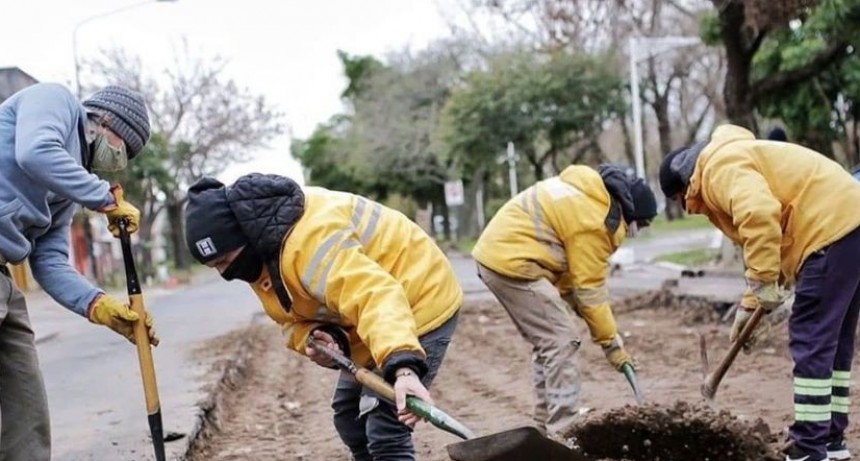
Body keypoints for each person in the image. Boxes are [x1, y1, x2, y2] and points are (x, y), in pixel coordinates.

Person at [184, 173, 462, 461]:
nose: (224, 273)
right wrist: (319, 337)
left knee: (386, 426)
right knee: (349, 417)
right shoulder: (262, 256)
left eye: (224, 262)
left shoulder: (310, 242)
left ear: (244, 236)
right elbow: (290, 319)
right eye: (213, 266)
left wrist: (403, 368)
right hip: (368, 321)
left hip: (418, 298)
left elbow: (374, 296)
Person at [659, 123, 860, 461]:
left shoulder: (718, 168)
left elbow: (758, 214)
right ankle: (830, 440)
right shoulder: (735, 157)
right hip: (849, 224)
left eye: (681, 201)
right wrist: (752, 302)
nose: (688, 208)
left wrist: (763, 280)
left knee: (811, 338)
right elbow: (771, 236)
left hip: (828, 231)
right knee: (834, 342)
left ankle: (809, 448)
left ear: (683, 186)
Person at [0, 82, 157, 460]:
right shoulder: (55, 100)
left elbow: (49, 261)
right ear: (106, 123)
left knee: (26, 401)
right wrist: (104, 199)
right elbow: (35, 152)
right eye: (125, 149)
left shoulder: (69, 187)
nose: (120, 160)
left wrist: (98, 305)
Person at [471, 164, 657, 438]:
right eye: (641, 224)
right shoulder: (595, 222)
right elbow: (591, 290)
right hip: (514, 264)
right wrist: (611, 343)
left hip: (501, 257)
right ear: (631, 212)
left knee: (550, 341)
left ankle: (543, 426)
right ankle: (563, 429)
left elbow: (572, 284)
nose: (637, 231)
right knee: (561, 340)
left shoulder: (585, 198)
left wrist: (606, 337)